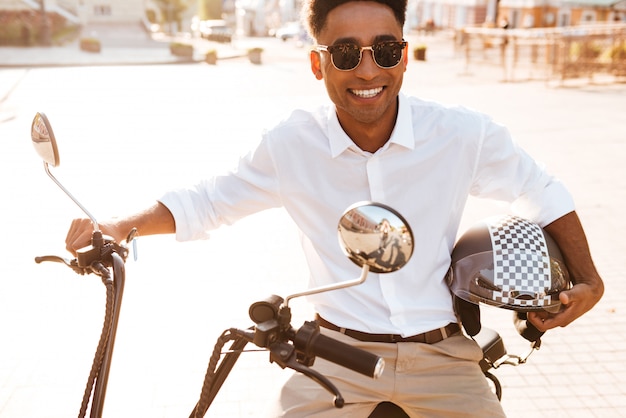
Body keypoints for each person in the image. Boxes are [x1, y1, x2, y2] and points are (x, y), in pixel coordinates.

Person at [65, 1, 604, 416]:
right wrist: (118, 227)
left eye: (385, 50)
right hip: (331, 354)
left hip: (443, 356)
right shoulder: (291, 144)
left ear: (405, 56)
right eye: (346, 53)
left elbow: (542, 189)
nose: (368, 70)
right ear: (317, 64)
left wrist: (590, 281)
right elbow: (208, 200)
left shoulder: (462, 133)